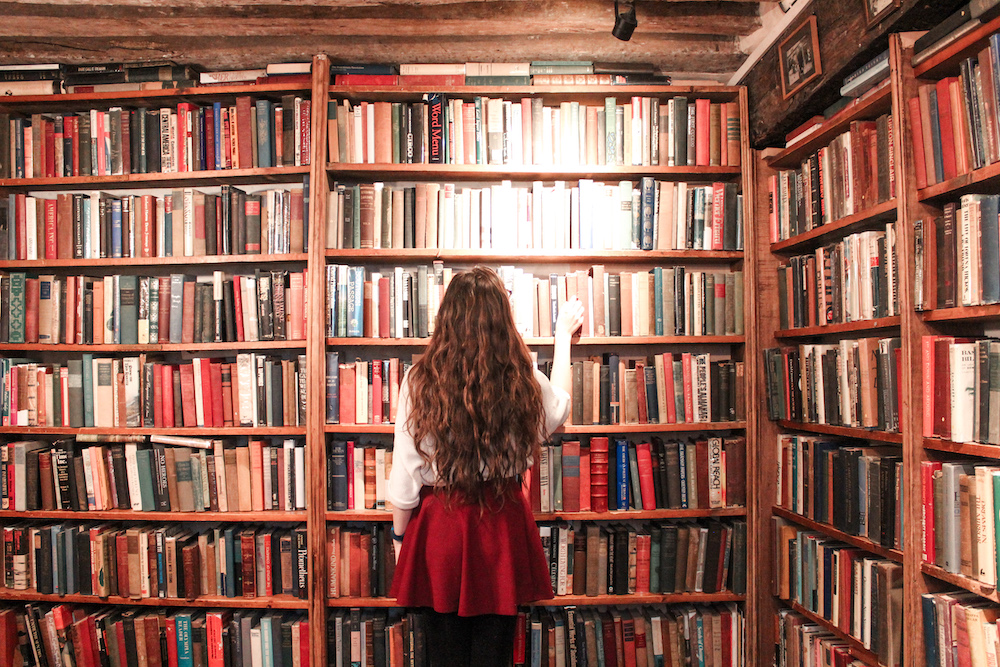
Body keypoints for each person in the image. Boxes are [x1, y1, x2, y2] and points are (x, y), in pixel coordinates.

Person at [387, 266, 585, 667]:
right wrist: (562, 337)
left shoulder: (419, 380)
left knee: (443, 655)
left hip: (440, 528)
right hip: (500, 526)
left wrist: (399, 537)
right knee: (493, 655)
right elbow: (559, 409)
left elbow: (406, 474)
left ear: (446, 319)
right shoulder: (520, 377)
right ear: (502, 319)